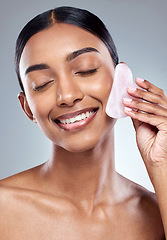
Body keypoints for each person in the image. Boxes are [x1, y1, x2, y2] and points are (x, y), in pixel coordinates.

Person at [0, 6, 167, 239]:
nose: (67, 96)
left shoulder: (159, 215)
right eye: (42, 83)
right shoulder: (3, 208)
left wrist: (161, 165)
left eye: (86, 70)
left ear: (121, 80)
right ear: (27, 107)